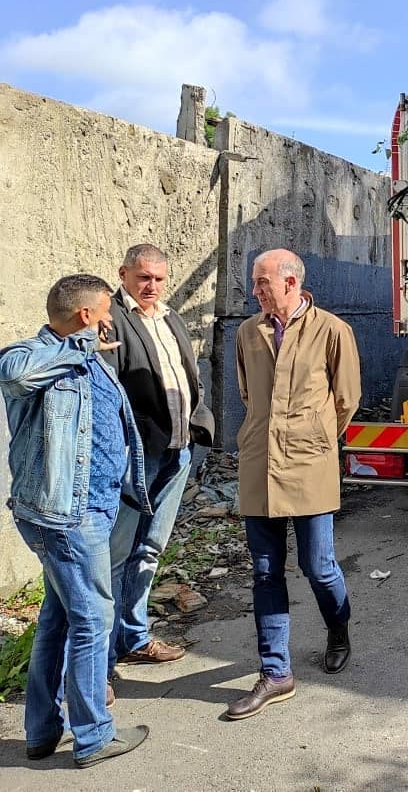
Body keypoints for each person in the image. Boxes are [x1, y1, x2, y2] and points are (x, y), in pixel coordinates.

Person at [0, 275, 150, 766]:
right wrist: (80, 346)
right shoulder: (33, 355)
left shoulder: (89, 359)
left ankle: (43, 730)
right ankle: (93, 736)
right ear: (86, 315)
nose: (111, 320)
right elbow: (14, 374)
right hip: (66, 514)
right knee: (92, 619)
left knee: (57, 617)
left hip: (92, 509)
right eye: (105, 311)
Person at [226, 248, 361, 721]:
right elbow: (247, 393)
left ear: (291, 282)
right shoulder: (248, 332)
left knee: (318, 564)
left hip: (309, 463)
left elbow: (346, 400)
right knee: (265, 570)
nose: (256, 290)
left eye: (263, 282)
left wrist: (313, 436)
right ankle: (276, 672)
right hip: (260, 462)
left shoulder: (332, 330)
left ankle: (338, 628)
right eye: (254, 282)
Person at [100, 244, 215, 671]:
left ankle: (134, 637)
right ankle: (103, 655)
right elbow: (108, 390)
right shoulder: (111, 319)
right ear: (124, 274)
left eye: (159, 278)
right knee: (117, 552)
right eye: (144, 277)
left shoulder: (169, 316)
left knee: (149, 547)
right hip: (136, 455)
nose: (152, 286)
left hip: (177, 451)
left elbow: (188, 374)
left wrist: (198, 421)